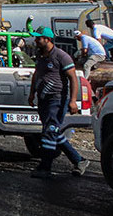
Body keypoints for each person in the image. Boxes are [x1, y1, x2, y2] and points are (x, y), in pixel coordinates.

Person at [27, 27, 89, 178]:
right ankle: (79, 160)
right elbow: (37, 74)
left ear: (47, 39)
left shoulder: (61, 56)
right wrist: (32, 93)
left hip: (57, 99)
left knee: (49, 131)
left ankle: (45, 167)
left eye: (38, 38)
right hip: (43, 99)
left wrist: (73, 101)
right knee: (53, 131)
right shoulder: (40, 55)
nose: (36, 40)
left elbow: (73, 79)